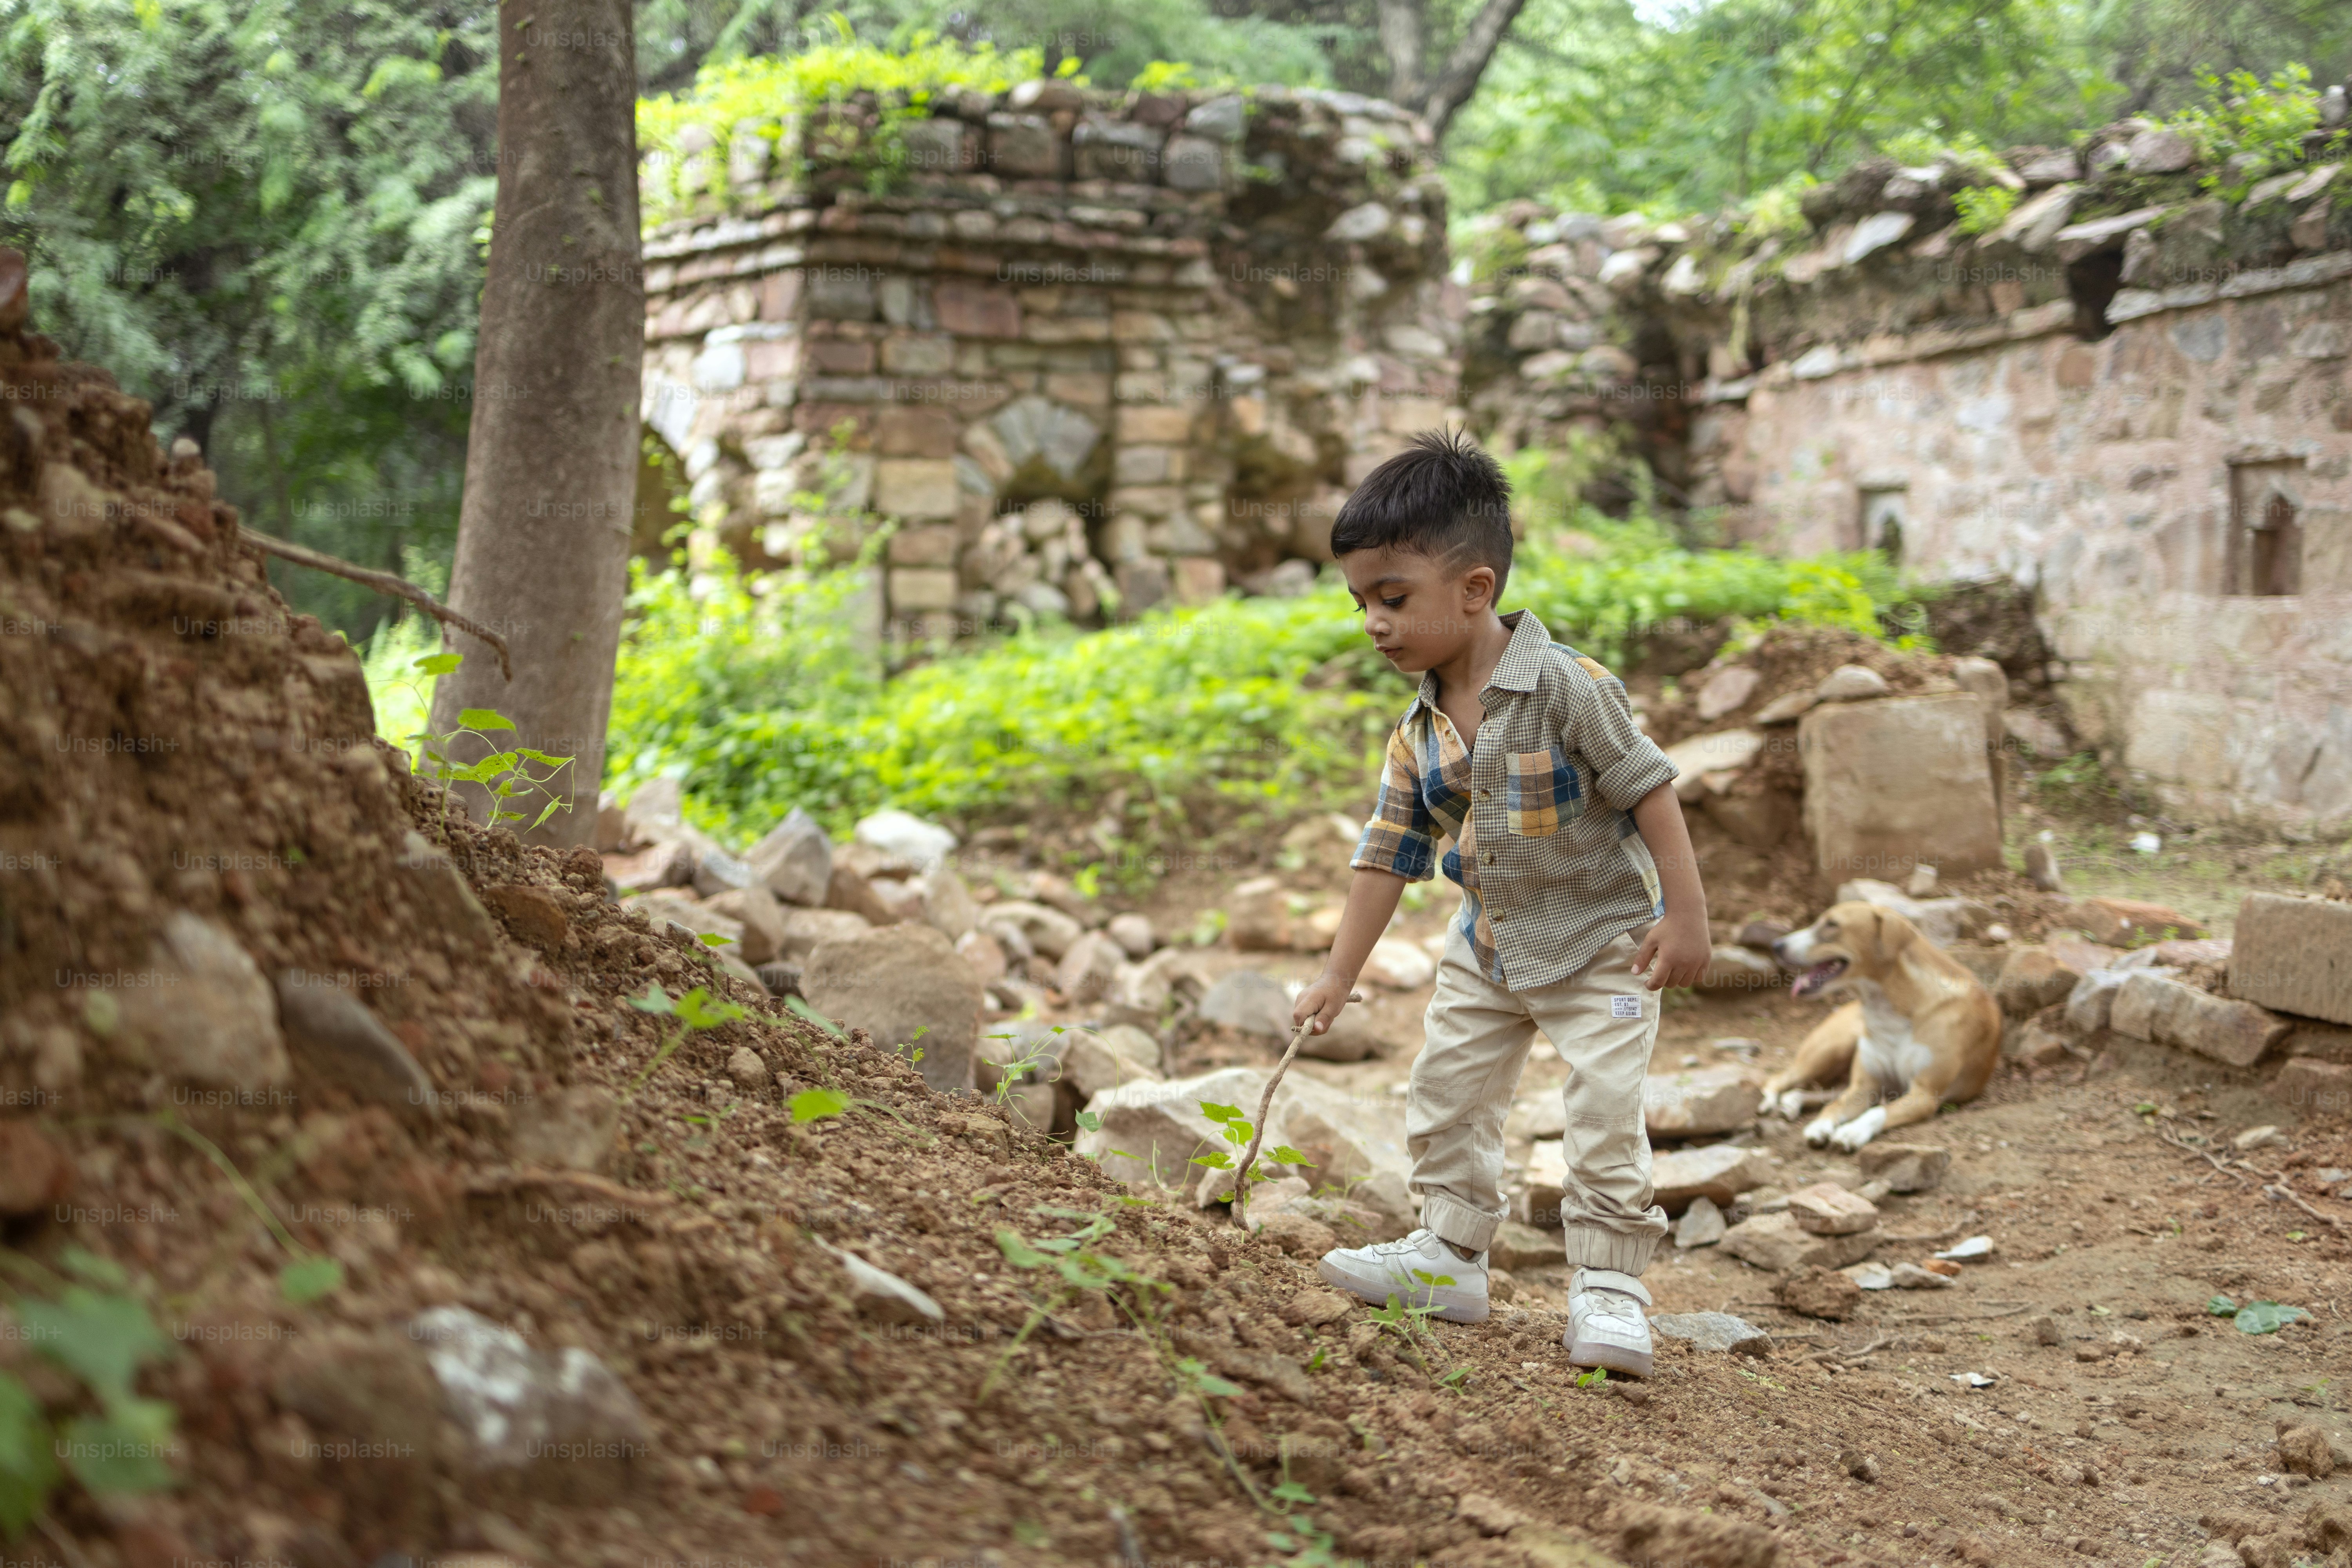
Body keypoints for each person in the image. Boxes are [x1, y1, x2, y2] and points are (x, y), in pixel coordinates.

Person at [1292, 429, 1712, 1377]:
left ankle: (1609, 1284)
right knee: (1448, 1092)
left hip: (1603, 943)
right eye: (1361, 602)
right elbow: (1389, 850)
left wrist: (1685, 917)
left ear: (1475, 589)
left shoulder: (1568, 686)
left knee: (1604, 1110)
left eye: (1392, 598)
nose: (1372, 622)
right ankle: (1448, 1253)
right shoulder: (1419, 728)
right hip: (1487, 948)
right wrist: (1337, 972)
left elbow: (1649, 788)